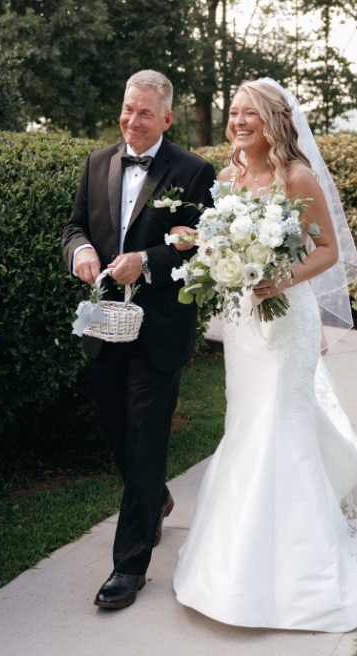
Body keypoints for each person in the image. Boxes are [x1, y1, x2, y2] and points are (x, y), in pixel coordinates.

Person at [169, 78, 357, 632]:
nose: (239, 121)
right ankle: (232, 560)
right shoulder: (227, 178)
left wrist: (280, 276)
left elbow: (328, 251)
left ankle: (299, 572)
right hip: (244, 326)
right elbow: (224, 243)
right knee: (247, 423)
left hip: (285, 318)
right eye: (233, 112)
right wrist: (198, 245)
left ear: (274, 118)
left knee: (278, 425)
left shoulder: (296, 176)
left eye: (250, 113)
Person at [62, 70, 216, 611]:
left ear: (167, 118)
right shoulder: (97, 161)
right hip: (104, 327)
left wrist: (147, 261)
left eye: (145, 112)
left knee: (147, 439)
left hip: (159, 332)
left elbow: (199, 242)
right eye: (127, 109)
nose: (132, 120)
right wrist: (79, 251)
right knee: (119, 433)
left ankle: (129, 569)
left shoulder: (195, 171)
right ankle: (156, 499)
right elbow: (75, 226)